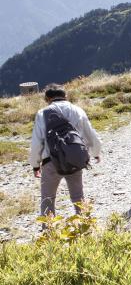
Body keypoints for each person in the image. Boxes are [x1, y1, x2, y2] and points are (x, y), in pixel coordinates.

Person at [29, 84, 102, 217]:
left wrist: (35, 165)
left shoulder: (42, 114)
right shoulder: (77, 110)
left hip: (50, 161)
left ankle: (49, 233)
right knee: (78, 197)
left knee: (48, 198)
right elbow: (90, 134)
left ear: (47, 98)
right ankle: (86, 228)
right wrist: (96, 153)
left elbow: (36, 142)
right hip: (75, 159)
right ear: (65, 96)